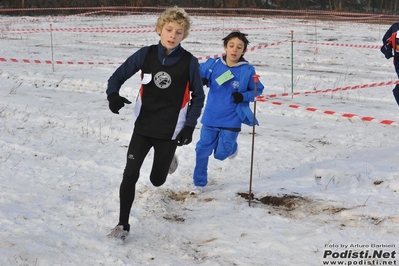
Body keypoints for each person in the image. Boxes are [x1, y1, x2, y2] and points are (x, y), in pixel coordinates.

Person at [105, 7, 205, 240]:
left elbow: (198, 96)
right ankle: (122, 225)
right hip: (143, 126)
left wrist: (189, 126)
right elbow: (117, 76)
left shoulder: (190, 62)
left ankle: (169, 159)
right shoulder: (146, 54)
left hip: (170, 130)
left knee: (157, 180)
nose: (172, 35)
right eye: (169, 30)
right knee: (130, 174)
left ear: (184, 35)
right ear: (159, 29)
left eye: (179, 32)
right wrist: (113, 95)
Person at [191, 31, 264, 195]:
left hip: (231, 120)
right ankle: (199, 183)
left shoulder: (247, 70)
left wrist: (243, 96)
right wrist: (199, 80)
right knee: (202, 149)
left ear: (244, 51)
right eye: (231, 46)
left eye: (239, 47)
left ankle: (232, 149)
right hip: (211, 117)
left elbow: (258, 90)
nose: (234, 50)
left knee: (220, 155)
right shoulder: (213, 64)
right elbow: (194, 73)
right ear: (225, 47)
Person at [381, 22, 399, 105]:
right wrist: (387, 51)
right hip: (398, 64)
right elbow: (386, 41)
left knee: (397, 91)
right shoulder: (395, 27)